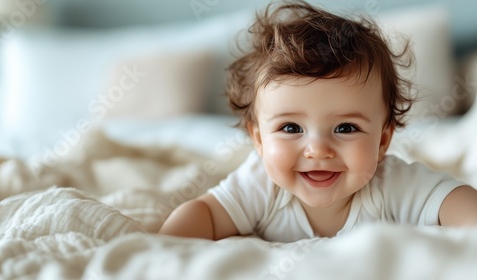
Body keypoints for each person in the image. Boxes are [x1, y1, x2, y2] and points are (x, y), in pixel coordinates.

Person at [159, 0, 477, 241]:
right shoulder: (260, 185)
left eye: (345, 128)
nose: (318, 150)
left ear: (382, 140)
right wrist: (164, 249)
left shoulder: (390, 183)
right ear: (258, 139)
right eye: (291, 128)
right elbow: (206, 214)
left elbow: (457, 201)